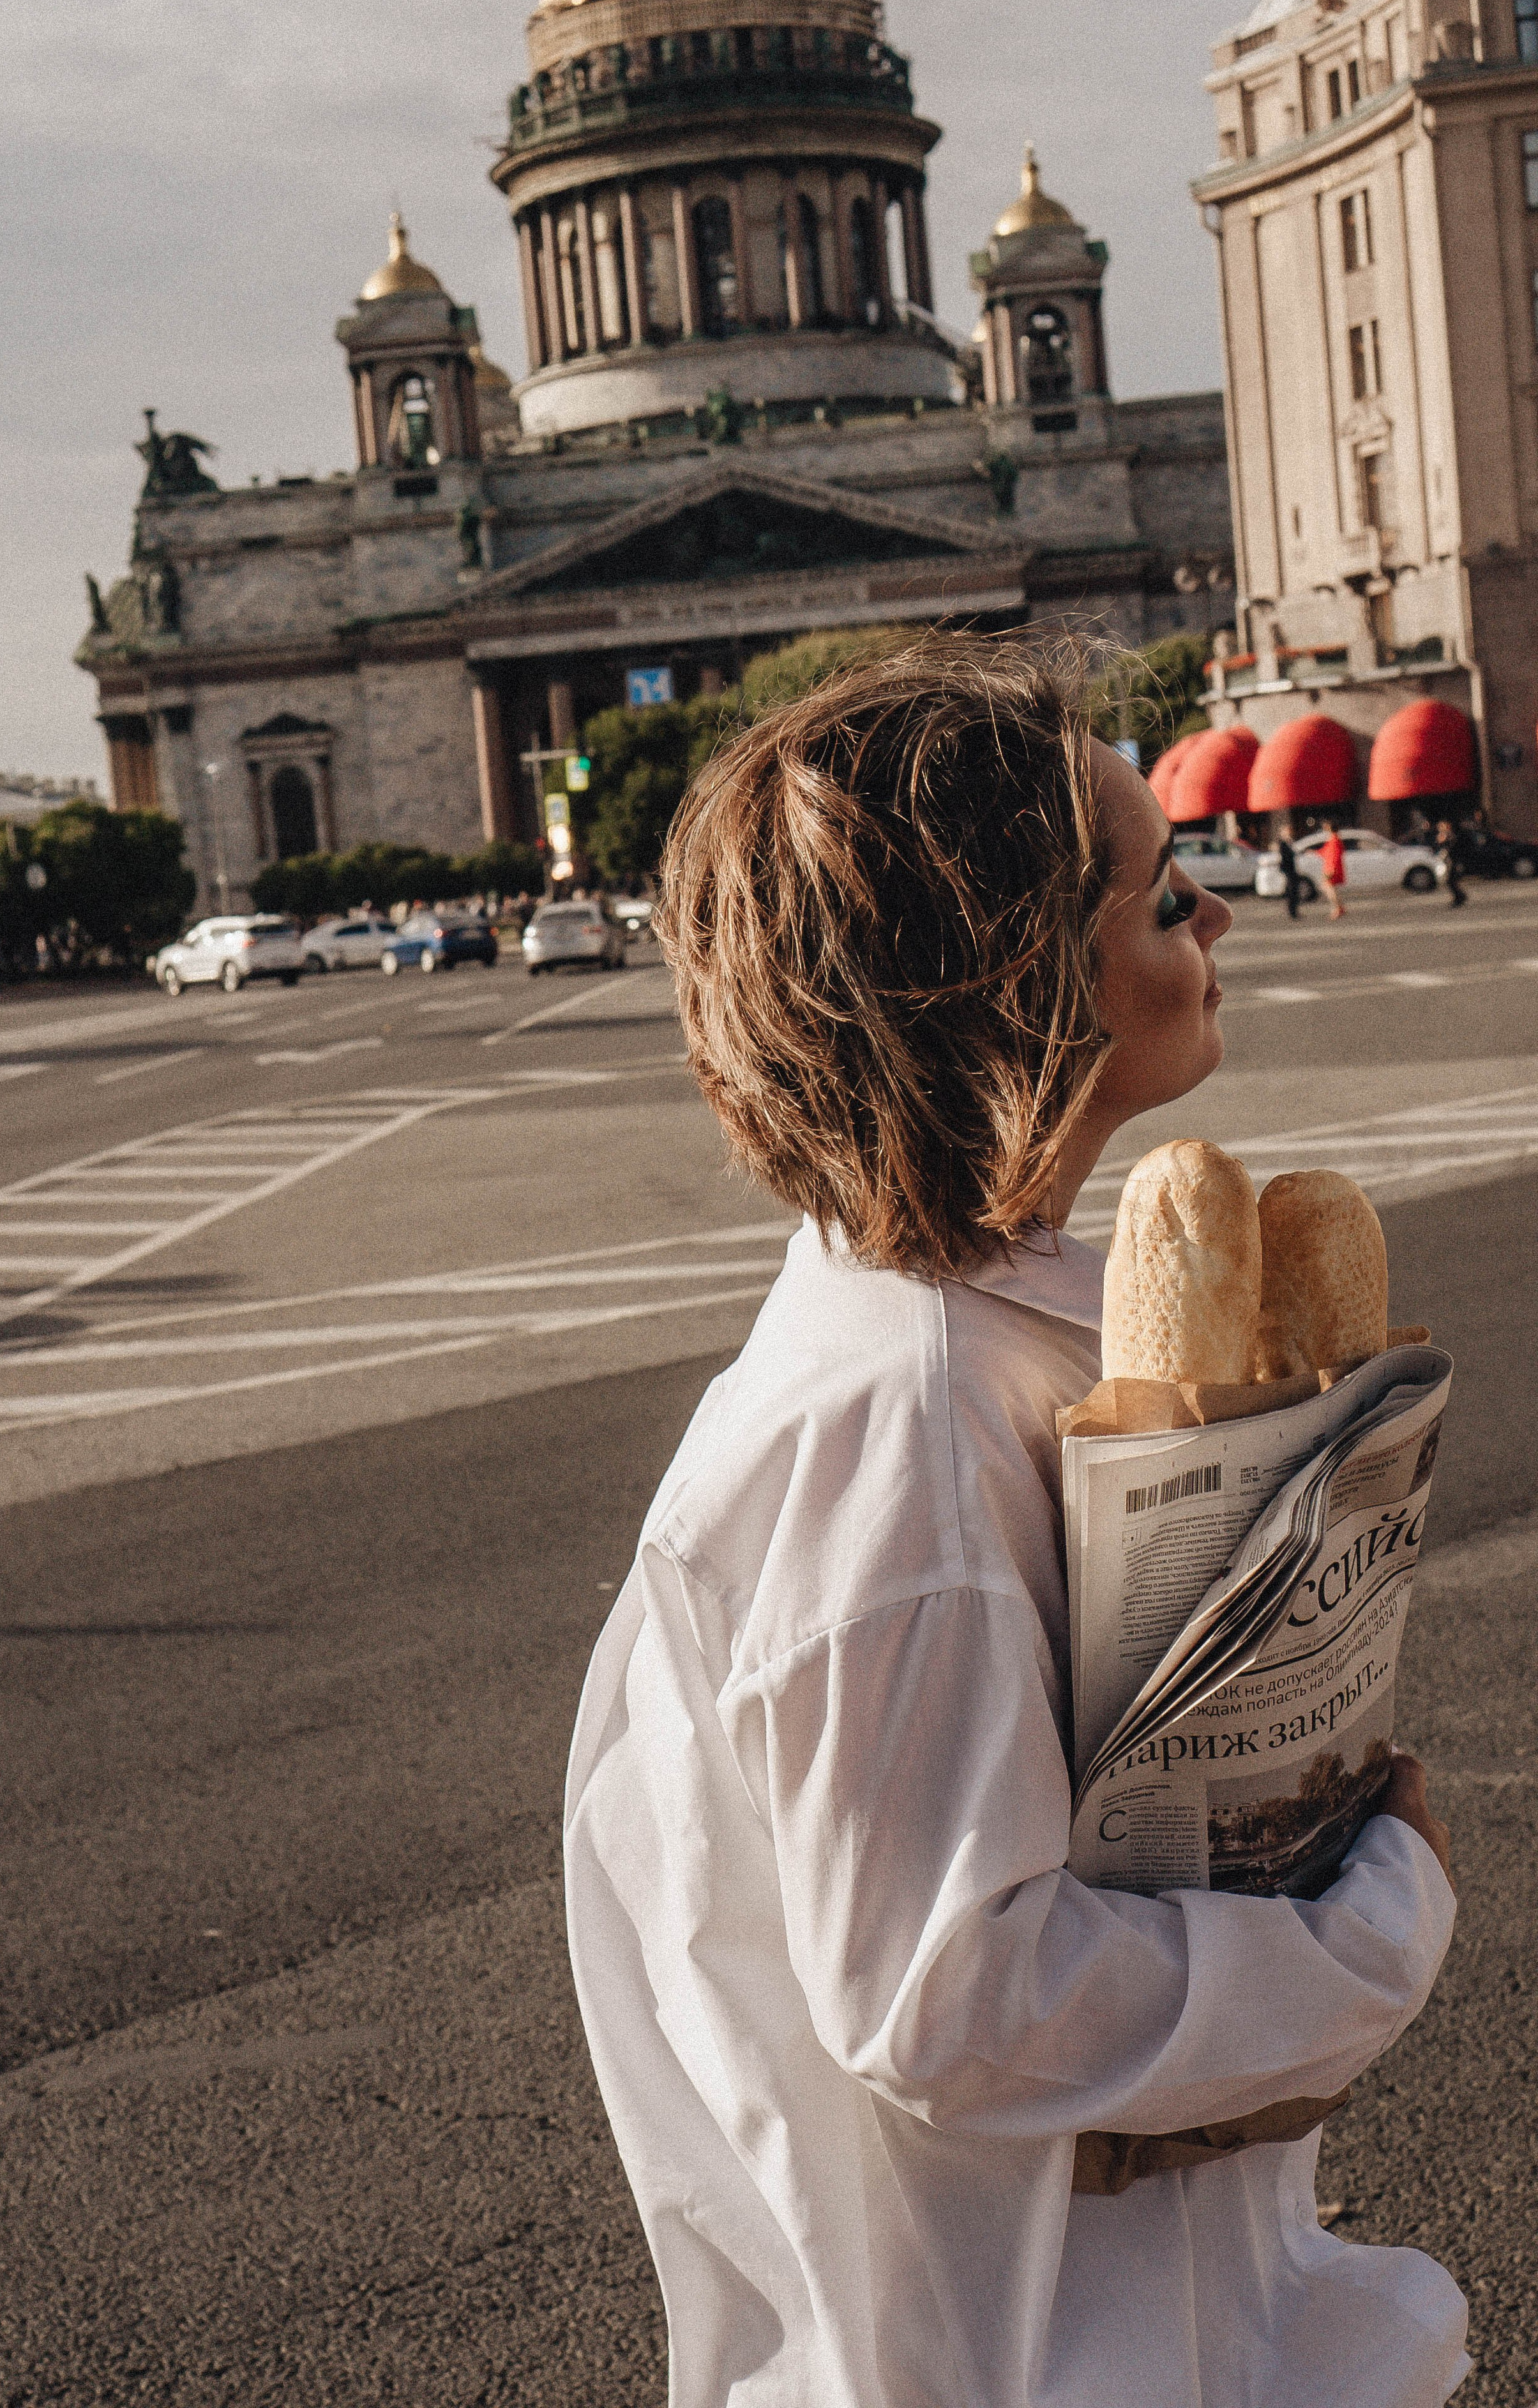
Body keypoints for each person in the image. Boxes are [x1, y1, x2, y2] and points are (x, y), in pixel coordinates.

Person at [565, 640, 1466, 2408]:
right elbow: (958, 1999)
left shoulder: (959, 1346)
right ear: (1015, 979)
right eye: (1162, 895)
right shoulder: (893, 1427)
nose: (1215, 927)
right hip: (1049, 2355)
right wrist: (1377, 1918)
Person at [1318, 825, 1348, 919]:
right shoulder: (1333, 840)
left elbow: (1334, 855)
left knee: (1329, 889)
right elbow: (1325, 852)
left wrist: (1332, 869)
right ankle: (1339, 907)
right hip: (1331, 867)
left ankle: (1337, 908)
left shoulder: (1334, 840)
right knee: (1329, 888)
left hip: (1331, 868)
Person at [1436, 819, 1467, 908]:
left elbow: (1452, 848)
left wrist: (1443, 841)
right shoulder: (1448, 836)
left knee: (1451, 881)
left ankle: (1460, 897)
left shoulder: (1450, 836)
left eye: (1442, 826)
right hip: (1452, 861)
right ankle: (1460, 897)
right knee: (1451, 881)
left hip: (1455, 861)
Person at [1277, 827, 1302, 918]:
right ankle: (1292, 911)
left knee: (1293, 890)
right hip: (1288, 870)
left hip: (1292, 869)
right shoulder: (1283, 844)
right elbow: (1285, 856)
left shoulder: (1290, 843)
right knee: (1291, 890)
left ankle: (1294, 910)